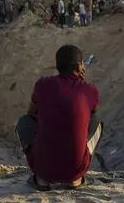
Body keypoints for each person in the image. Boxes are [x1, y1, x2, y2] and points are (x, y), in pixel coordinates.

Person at [16, 45, 103, 190]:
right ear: (80, 65)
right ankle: (76, 179)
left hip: (42, 167)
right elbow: (92, 112)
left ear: (57, 66)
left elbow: (31, 113)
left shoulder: (42, 84)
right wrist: (82, 83)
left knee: (23, 122)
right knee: (96, 121)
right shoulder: (90, 89)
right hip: (75, 169)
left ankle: (42, 180)